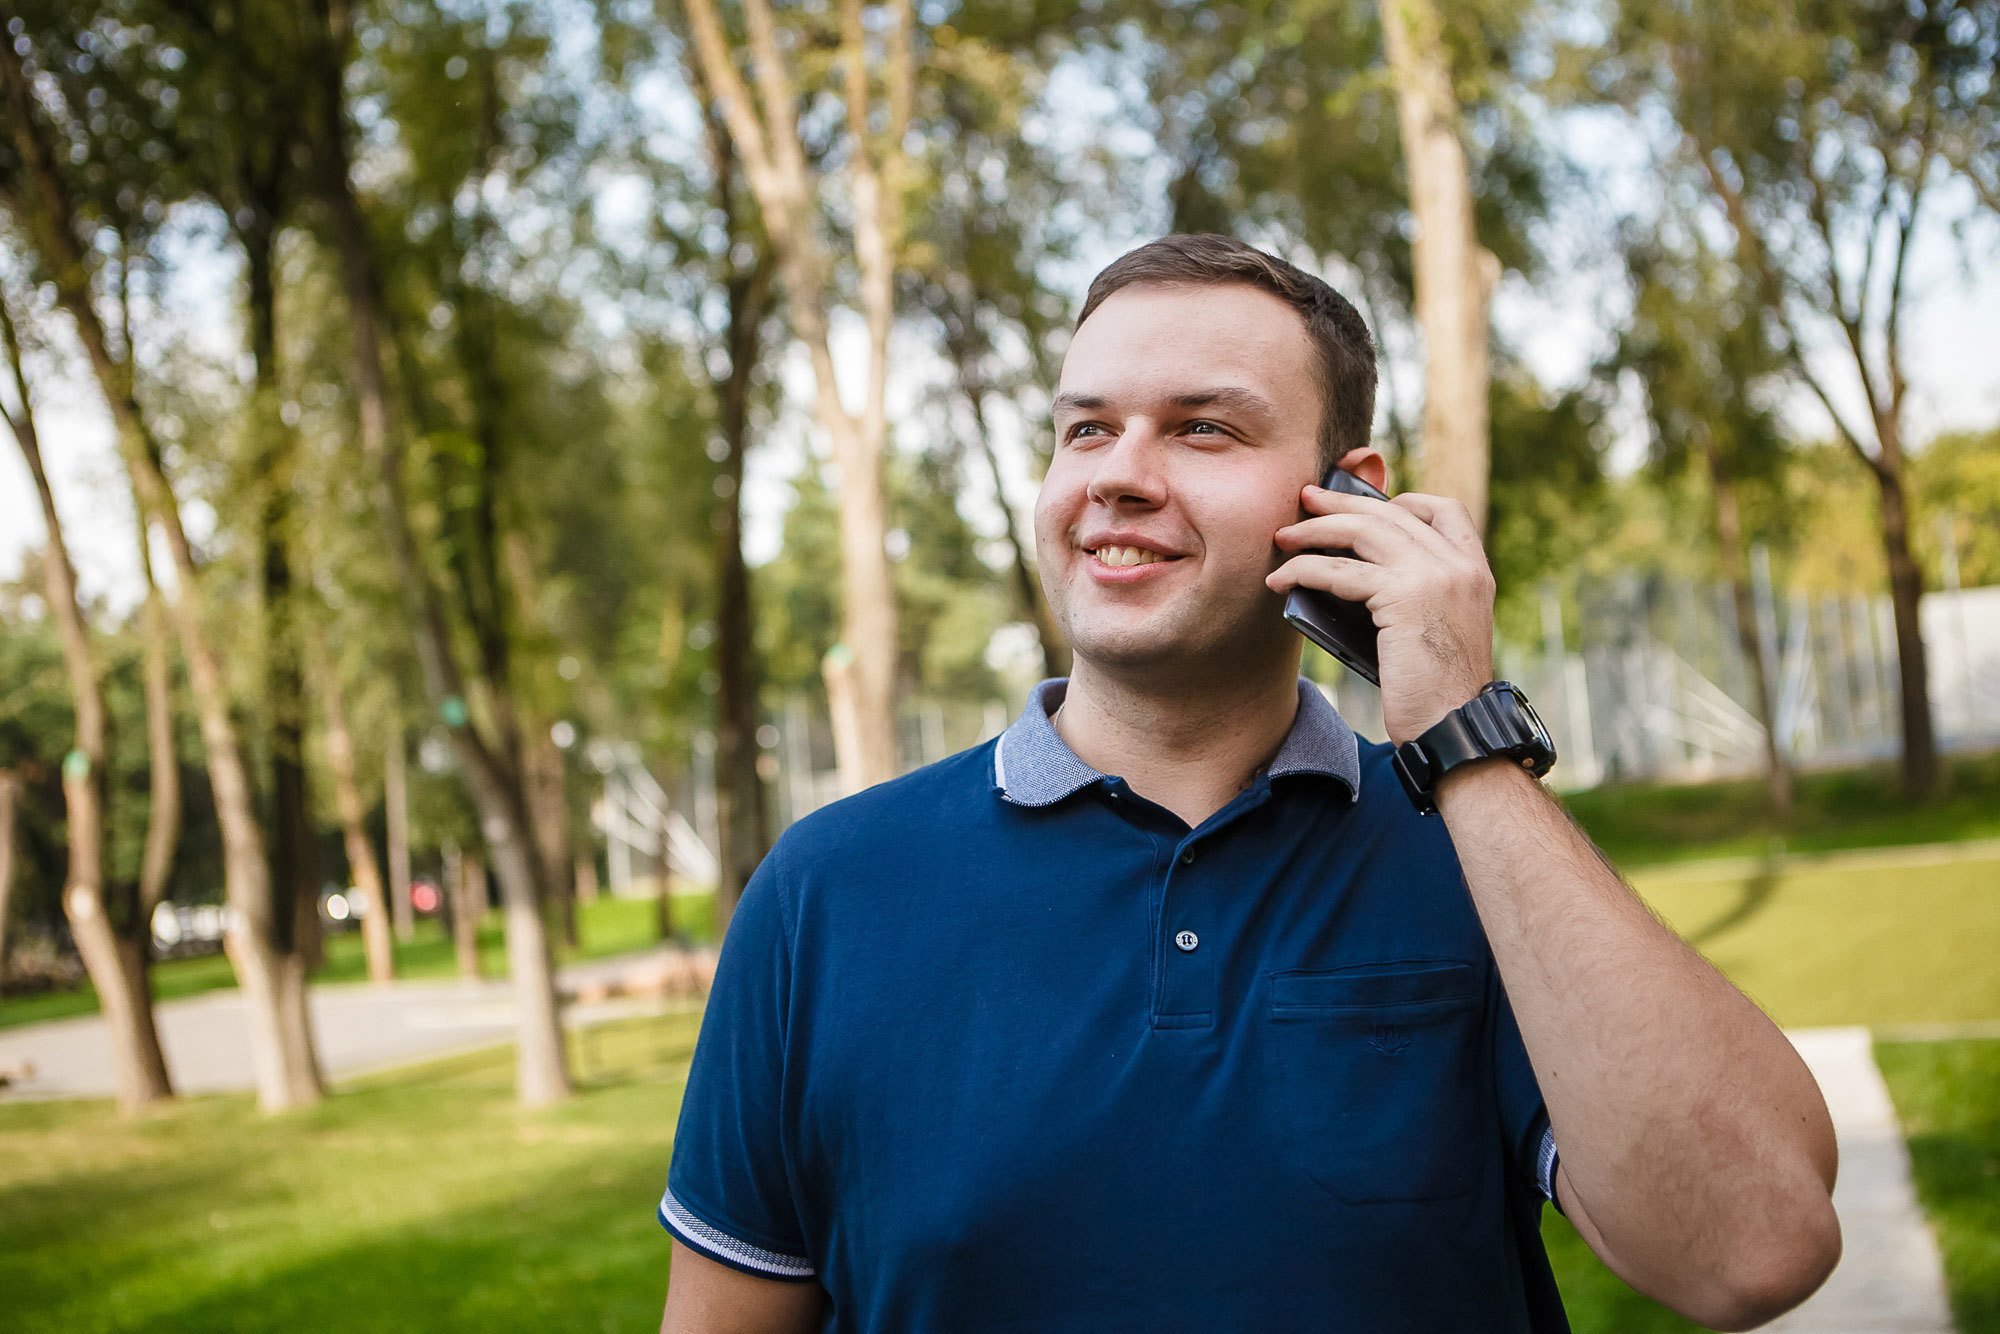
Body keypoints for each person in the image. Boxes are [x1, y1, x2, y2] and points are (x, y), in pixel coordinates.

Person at [656, 234, 1840, 1333]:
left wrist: (1461, 736)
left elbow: (1751, 1248)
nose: (1116, 476)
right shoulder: (826, 890)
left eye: (1201, 428)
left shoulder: (1478, 859)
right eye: (1084, 429)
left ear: (1345, 494)